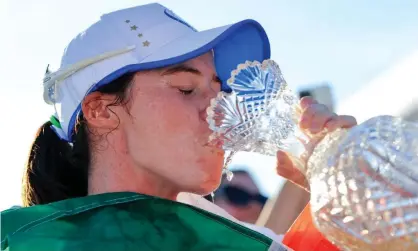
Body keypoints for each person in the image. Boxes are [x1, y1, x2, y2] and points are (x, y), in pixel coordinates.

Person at [0, 3, 357, 251]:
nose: (217, 109)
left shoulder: (244, 239)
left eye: (219, 92)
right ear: (101, 110)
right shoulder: (28, 242)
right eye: (187, 89)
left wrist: (342, 191)